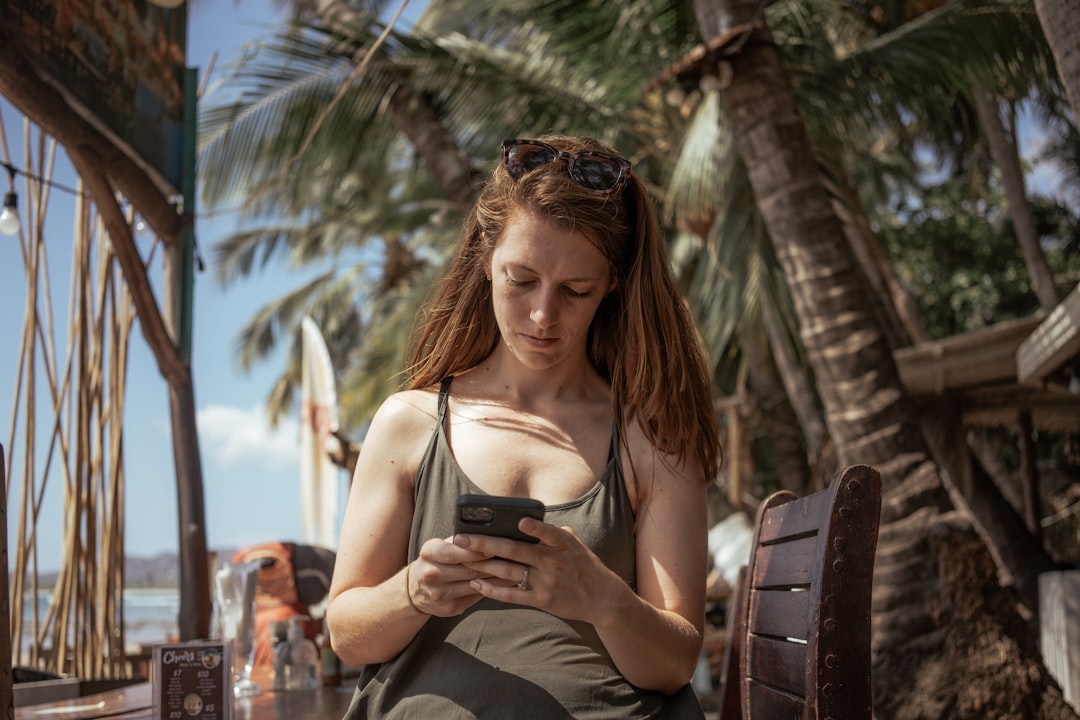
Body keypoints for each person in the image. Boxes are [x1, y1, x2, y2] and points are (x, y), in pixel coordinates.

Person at [327, 135, 723, 719]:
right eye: (521, 280)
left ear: (612, 284)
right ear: (486, 257)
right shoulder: (409, 423)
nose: (543, 315)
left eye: (576, 291)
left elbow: (675, 663)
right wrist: (414, 591)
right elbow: (347, 635)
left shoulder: (652, 436)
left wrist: (603, 600)